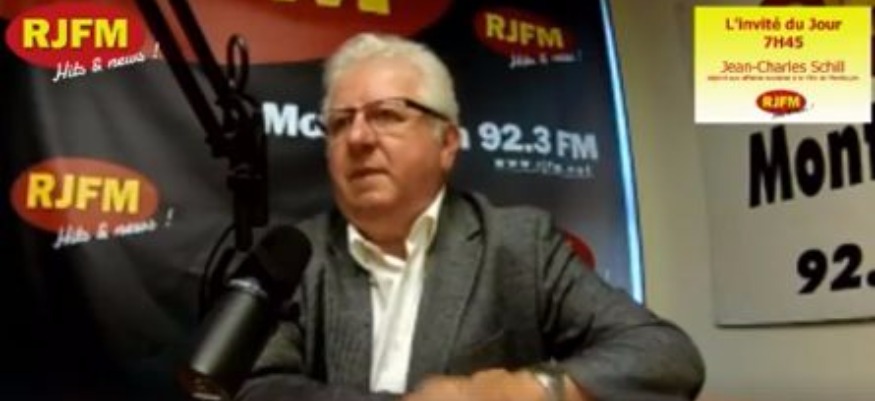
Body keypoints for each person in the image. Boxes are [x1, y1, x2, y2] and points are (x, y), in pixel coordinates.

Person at [236, 32, 704, 401]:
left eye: (387, 115)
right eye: (340, 122)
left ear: (447, 143)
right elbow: (255, 386)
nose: (357, 138)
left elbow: (666, 356)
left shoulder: (520, 244)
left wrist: (529, 390)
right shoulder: (296, 257)